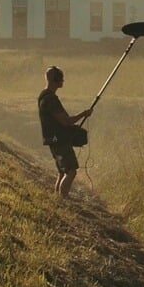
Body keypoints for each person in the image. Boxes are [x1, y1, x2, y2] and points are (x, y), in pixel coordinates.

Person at [38, 65, 92, 199]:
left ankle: (58, 200)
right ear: (56, 80)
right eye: (61, 78)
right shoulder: (51, 99)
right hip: (59, 140)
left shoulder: (43, 96)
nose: (63, 81)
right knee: (71, 171)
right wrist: (84, 114)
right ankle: (63, 200)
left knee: (62, 172)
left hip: (53, 139)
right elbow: (66, 121)